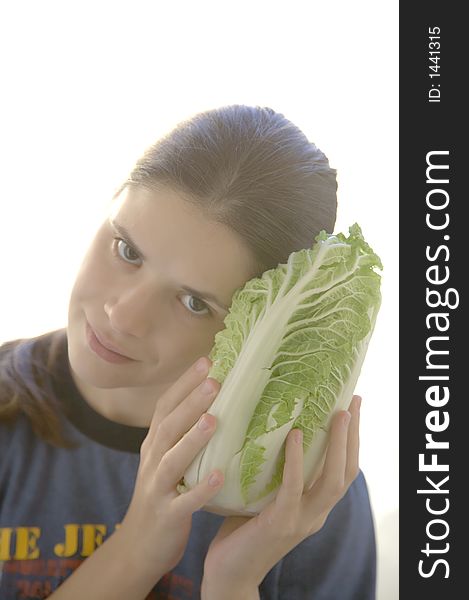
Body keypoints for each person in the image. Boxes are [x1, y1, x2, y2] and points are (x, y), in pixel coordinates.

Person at [0, 105, 376, 599]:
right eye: (127, 250)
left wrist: (233, 583)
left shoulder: (299, 501)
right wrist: (137, 550)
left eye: (194, 302)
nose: (123, 316)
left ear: (263, 331)